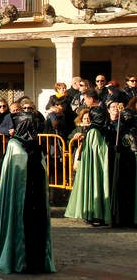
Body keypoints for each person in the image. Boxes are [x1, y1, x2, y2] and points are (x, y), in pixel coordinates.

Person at [0, 111, 55, 274]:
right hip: (20, 200)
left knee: (36, 229)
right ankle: (19, 260)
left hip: (36, 197)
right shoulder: (14, 146)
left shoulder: (36, 147)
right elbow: (13, 177)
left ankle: (36, 262)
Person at [65, 90, 112, 225]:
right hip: (96, 146)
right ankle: (95, 213)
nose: (84, 101)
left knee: (93, 178)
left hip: (95, 148)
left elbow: (97, 134)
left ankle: (93, 213)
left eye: (86, 98)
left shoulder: (96, 114)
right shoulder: (97, 116)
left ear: (91, 98)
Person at [111, 103, 137, 227]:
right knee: (122, 190)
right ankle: (121, 218)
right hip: (123, 163)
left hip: (131, 162)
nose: (126, 118)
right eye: (125, 116)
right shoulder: (120, 129)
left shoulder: (133, 129)